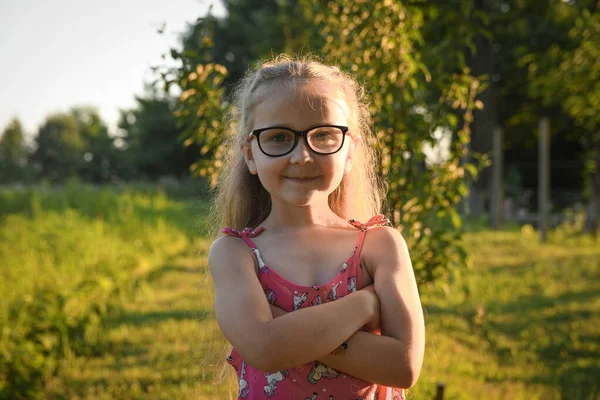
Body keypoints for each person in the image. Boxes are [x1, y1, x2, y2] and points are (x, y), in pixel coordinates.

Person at [208, 55, 425, 400]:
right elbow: (265, 350)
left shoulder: (380, 245)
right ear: (250, 153)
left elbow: (403, 367)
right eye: (279, 137)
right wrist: (363, 305)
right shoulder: (234, 253)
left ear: (349, 151)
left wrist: (285, 328)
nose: (302, 156)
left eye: (323, 135)